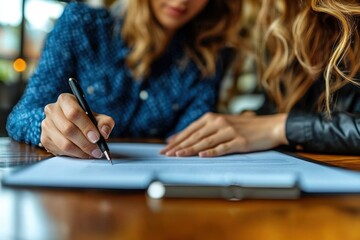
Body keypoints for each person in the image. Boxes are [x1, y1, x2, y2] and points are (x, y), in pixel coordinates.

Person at [6, 0, 242, 158]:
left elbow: (188, 142)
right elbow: (20, 116)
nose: (181, 1)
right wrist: (47, 127)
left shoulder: (208, 57)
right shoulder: (82, 25)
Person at [161, 0, 360, 157]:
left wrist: (281, 128)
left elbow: (283, 123)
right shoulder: (294, 18)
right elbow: (285, 108)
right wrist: (252, 119)